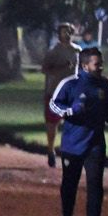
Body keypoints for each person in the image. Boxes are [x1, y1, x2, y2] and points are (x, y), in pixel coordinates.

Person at [49, 48, 108, 216]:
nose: (101, 67)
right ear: (85, 65)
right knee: (70, 183)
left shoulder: (105, 85)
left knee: (95, 184)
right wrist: (70, 111)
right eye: (97, 64)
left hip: (95, 142)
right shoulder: (70, 84)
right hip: (72, 144)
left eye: (101, 63)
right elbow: (54, 104)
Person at [41, 23, 80, 168]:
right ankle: (51, 149)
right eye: (64, 32)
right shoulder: (53, 52)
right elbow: (45, 69)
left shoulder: (78, 50)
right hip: (54, 91)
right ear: (59, 34)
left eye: (70, 31)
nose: (67, 34)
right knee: (52, 123)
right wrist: (62, 67)